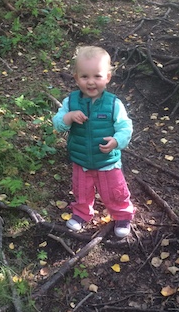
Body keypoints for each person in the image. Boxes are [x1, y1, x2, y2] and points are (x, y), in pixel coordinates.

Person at [52, 46, 135, 238]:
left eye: (97, 76)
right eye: (84, 76)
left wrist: (116, 141)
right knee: (81, 190)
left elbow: (125, 127)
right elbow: (58, 124)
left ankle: (122, 215)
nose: (91, 82)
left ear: (107, 77)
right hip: (81, 160)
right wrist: (69, 117)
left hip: (107, 161)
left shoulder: (114, 104)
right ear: (76, 77)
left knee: (114, 191)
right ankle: (81, 213)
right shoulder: (71, 102)